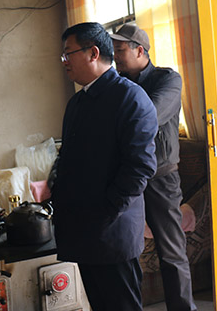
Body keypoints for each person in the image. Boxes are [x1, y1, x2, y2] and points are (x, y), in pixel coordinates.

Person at [51, 22, 158, 311]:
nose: (64, 62)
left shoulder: (130, 98)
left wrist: (106, 212)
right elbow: (69, 156)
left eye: (68, 54)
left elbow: (140, 167)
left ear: (93, 53)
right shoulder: (78, 102)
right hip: (84, 228)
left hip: (111, 231)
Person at [111, 24, 197, 311]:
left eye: (120, 50)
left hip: (161, 177)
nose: (115, 56)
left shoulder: (168, 79)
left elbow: (147, 116)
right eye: (113, 50)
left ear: (140, 51)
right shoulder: (116, 83)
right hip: (126, 176)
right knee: (125, 249)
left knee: (171, 251)